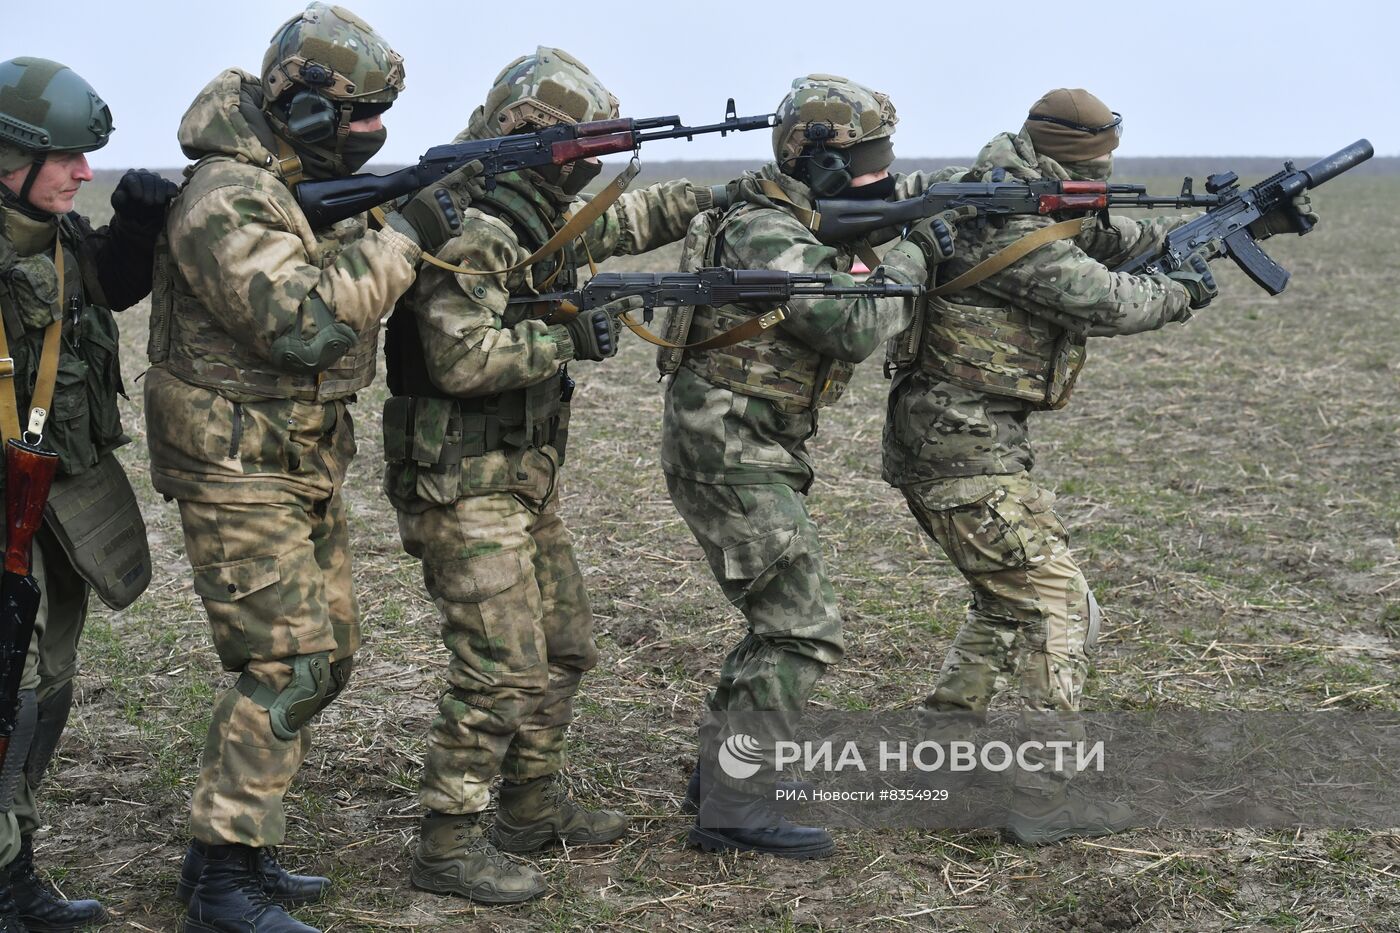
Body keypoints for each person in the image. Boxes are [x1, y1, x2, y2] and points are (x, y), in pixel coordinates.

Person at [881, 88, 1314, 845]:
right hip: (958, 447)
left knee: (1005, 600)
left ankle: (941, 754)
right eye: (1098, 166)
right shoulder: (1003, 221)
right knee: (1058, 603)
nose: (1105, 176)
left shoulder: (1024, 195)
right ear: (1065, 159)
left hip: (964, 441)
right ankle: (1046, 796)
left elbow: (1118, 239)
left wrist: (1228, 228)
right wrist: (1179, 294)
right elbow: (1102, 296)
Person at [144, 5, 480, 932]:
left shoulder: (293, 178)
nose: (370, 140)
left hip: (294, 456)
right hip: (235, 460)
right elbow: (307, 324)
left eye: (382, 122)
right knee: (286, 660)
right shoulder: (228, 194)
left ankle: (236, 843)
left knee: (325, 658)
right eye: (356, 121)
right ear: (297, 110)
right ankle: (223, 878)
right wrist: (403, 233)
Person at [381, 46, 722, 904]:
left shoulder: (534, 211)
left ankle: (528, 807)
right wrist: (569, 334)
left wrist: (718, 196)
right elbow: (460, 359)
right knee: (500, 667)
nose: (591, 171)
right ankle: (447, 845)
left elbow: (619, 223)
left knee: (563, 648)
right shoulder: (477, 224)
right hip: (461, 479)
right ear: (530, 138)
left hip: (524, 472)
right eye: (581, 153)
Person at [657, 74, 960, 859]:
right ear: (814, 158)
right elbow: (852, 324)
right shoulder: (766, 231)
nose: (883, 170)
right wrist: (915, 249)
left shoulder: (793, 215)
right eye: (869, 156)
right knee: (801, 628)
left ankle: (722, 779)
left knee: (780, 621)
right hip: (730, 451)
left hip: (749, 446)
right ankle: (736, 809)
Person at [0, 56, 172, 933]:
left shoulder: (55, 236)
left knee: (46, 686)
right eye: (68, 156)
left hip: (54, 508)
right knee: (11, 692)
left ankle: (12, 868)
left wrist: (136, 233)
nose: (84, 171)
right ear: (10, 155)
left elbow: (102, 290)